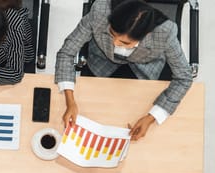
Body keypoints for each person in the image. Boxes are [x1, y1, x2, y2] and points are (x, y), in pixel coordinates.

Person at [55, 0, 193, 141]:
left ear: (146, 35)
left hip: (144, 69)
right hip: (101, 64)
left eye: (124, 43)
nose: (114, 43)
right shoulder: (100, 11)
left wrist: (152, 117)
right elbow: (66, 52)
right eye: (112, 34)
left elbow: (184, 77)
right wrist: (70, 101)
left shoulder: (164, 32)